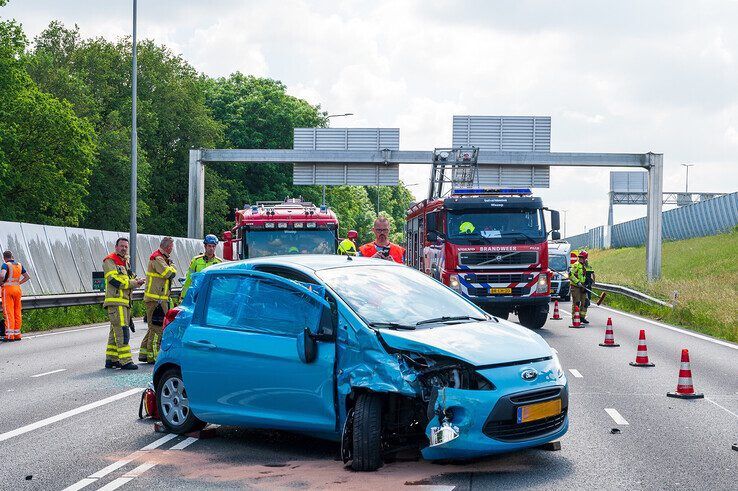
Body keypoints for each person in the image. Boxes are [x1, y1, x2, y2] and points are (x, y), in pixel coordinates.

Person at [103, 238, 145, 369]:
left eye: (126, 246)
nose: (124, 249)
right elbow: (114, 280)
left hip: (124, 302)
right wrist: (134, 283)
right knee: (122, 331)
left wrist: (137, 281)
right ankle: (125, 361)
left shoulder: (125, 262)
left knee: (114, 331)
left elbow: (129, 278)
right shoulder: (110, 260)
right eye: (122, 246)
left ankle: (111, 359)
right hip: (116, 302)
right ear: (116, 247)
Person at [138, 237, 177, 364]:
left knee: (152, 328)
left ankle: (144, 354)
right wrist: (172, 266)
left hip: (159, 299)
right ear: (167, 247)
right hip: (156, 300)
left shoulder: (163, 258)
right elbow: (169, 273)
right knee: (157, 329)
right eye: (171, 246)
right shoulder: (157, 258)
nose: (172, 249)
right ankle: (153, 356)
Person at [179, 234, 223, 302]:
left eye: (214, 246)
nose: (212, 248)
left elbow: (220, 282)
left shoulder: (219, 262)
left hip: (211, 296)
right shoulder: (196, 260)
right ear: (205, 246)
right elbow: (189, 279)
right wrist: (183, 297)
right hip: (197, 295)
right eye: (209, 246)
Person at [1, 250, 31, 341]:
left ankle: (10, 336)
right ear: (12, 256)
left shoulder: (5, 265)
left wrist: (1, 283)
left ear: (4, 257)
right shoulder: (19, 265)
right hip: (17, 290)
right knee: (17, 311)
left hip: (8, 290)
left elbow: (2, 275)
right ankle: (17, 334)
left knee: (8, 311)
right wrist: (18, 283)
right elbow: (27, 276)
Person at [569, 250, 590, 324]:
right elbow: (570, 274)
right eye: (580, 257)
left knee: (585, 302)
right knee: (576, 302)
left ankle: (581, 317)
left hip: (583, 286)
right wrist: (577, 282)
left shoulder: (585, 266)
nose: (581, 259)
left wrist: (586, 283)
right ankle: (575, 318)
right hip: (576, 286)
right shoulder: (576, 265)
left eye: (582, 257)